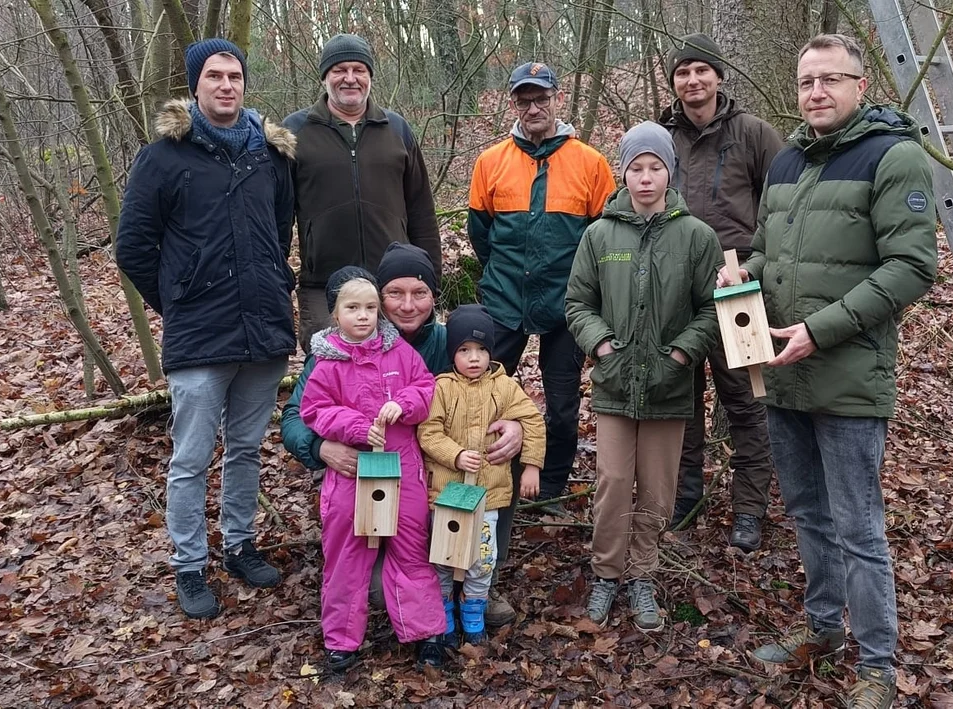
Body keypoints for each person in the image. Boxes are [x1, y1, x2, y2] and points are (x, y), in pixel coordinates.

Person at [719, 34, 937, 709]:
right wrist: (742, 272)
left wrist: (821, 327)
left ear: (859, 86)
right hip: (783, 376)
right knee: (809, 515)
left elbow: (910, 267)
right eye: (807, 80)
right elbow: (777, 256)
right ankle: (821, 628)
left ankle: (876, 663)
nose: (816, 92)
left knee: (858, 526)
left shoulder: (893, 157)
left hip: (847, 376)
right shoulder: (786, 162)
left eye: (830, 80)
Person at [117, 38, 296, 620]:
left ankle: (239, 543)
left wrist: (273, 281)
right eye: (214, 76)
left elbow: (279, 229)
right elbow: (134, 247)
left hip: (264, 328)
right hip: (199, 334)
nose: (226, 85)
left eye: (235, 76)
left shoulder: (269, 155)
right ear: (195, 86)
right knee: (191, 457)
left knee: (245, 448)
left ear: (246, 84)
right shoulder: (164, 157)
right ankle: (190, 564)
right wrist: (178, 298)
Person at [279, 242, 525, 627]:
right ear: (378, 297)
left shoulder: (454, 341)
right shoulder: (338, 348)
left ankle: (481, 578)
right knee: (380, 588)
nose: (408, 305)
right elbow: (296, 414)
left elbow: (501, 390)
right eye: (395, 293)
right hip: (374, 476)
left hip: (444, 472)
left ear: (433, 296)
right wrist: (318, 445)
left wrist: (516, 425)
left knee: (501, 455)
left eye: (420, 293)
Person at [565, 122, 722, 631]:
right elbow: (578, 303)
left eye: (656, 168)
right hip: (613, 384)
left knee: (658, 486)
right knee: (612, 481)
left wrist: (679, 356)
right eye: (637, 168)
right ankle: (607, 573)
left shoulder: (697, 236)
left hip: (669, 385)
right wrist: (602, 345)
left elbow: (710, 309)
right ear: (623, 173)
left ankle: (643, 576)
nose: (646, 178)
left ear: (669, 172)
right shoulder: (599, 234)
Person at [468, 59, 616, 557]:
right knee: (486, 392)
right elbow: (480, 234)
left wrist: (588, 291)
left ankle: (551, 485)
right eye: (524, 99)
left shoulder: (591, 163)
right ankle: (494, 473)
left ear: (558, 98)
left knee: (562, 401)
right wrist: (501, 275)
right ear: (513, 103)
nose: (534, 107)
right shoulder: (491, 161)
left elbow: (604, 236)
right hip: (505, 298)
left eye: (542, 98)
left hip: (566, 304)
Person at [659, 34, 784, 550]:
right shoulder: (659, 136)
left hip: (739, 283)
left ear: (718, 76)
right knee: (680, 402)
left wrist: (754, 266)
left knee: (747, 402)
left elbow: (783, 210)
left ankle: (750, 510)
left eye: (701, 71)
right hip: (678, 286)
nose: (693, 81)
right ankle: (684, 501)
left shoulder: (753, 133)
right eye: (683, 72)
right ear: (673, 82)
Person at [299, 267, 448, 671]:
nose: (363, 316)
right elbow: (313, 409)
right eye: (352, 308)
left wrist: (405, 404)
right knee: (347, 553)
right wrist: (357, 427)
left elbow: (425, 388)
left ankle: (426, 633)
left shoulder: (398, 350)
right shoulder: (326, 362)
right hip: (351, 472)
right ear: (336, 314)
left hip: (402, 467)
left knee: (411, 549)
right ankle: (342, 640)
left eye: (369, 308)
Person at [284, 33, 443, 351]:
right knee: (330, 375)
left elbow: (421, 210)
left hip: (393, 286)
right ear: (325, 77)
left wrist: (430, 280)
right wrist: (280, 278)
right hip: (322, 285)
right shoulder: (295, 131)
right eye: (339, 70)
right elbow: (277, 217)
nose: (350, 78)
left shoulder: (396, 129)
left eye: (359, 69)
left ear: (370, 76)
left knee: (397, 376)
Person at [418, 304, 547, 645]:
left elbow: (532, 421)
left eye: (481, 350)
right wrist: (456, 455)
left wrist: (531, 466)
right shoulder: (441, 388)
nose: (473, 358)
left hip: (488, 496)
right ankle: (442, 612)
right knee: (443, 557)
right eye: (464, 350)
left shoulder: (504, 387)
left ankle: (473, 610)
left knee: (482, 558)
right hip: (445, 495)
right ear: (452, 353)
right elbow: (428, 432)